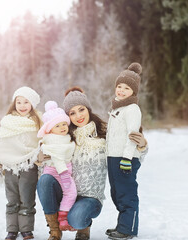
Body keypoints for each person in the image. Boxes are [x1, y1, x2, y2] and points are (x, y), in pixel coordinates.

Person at [36, 87, 148, 240]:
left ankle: (84, 226)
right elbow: (49, 156)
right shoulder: (65, 135)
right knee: (44, 180)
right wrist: (42, 156)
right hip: (67, 192)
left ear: (88, 109)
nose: (78, 116)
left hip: (90, 197)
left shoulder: (105, 133)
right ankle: (55, 231)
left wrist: (141, 145)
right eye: (72, 113)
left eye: (81, 109)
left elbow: (128, 151)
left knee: (76, 219)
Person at [0, 86, 42, 240]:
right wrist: (0, 159)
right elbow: (2, 142)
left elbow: (41, 142)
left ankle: (26, 229)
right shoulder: (8, 121)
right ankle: (12, 229)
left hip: (29, 165)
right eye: (18, 102)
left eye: (26, 102)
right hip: (10, 167)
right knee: (12, 198)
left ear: (32, 104)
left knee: (27, 198)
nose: (22, 106)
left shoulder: (37, 122)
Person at [106, 62, 143, 240]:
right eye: (119, 86)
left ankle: (128, 229)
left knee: (126, 194)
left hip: (125, 158)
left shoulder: (132, 109)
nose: (121, 90)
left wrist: (127, 158)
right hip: (113, 158)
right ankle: (122, 225)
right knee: (117, 193)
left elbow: (133, 135)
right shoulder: (117, 108)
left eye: (126, 88)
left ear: (133, 92)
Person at [37, 100, 77, 231]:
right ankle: (58, 223)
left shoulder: (65, 138)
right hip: (56, 171)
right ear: (50, 129)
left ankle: (63, 217)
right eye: (57, 125)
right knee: (69, 191)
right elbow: (58, 157)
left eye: (64, 124)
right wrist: (64, 174)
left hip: (64, 171)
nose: (62, 127)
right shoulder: (53, 139)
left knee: (71, 193)